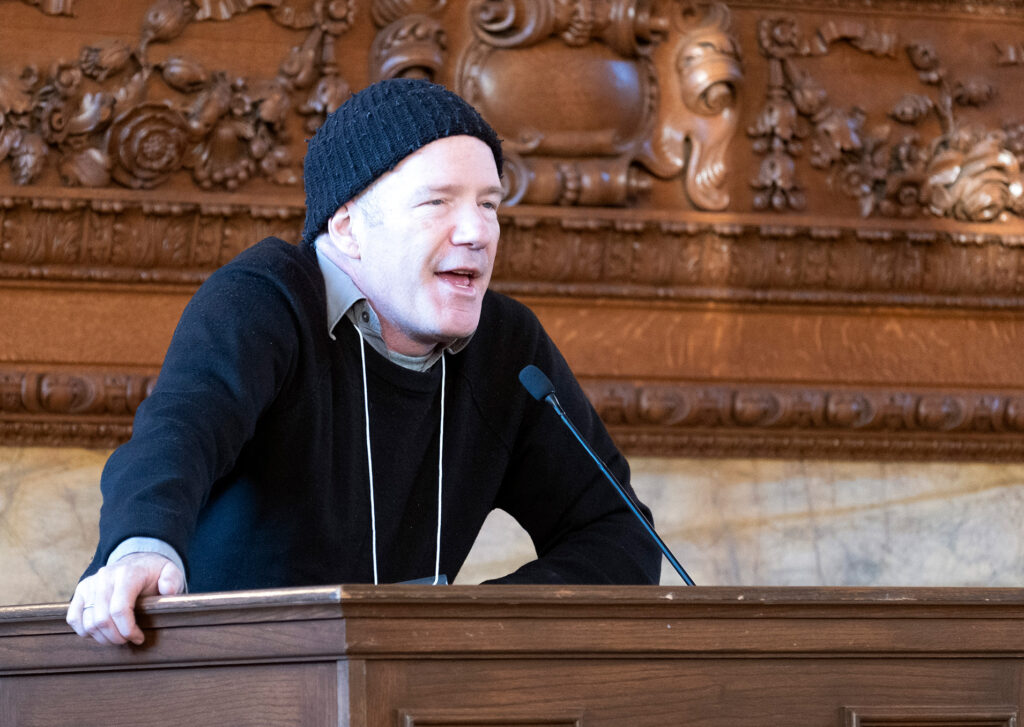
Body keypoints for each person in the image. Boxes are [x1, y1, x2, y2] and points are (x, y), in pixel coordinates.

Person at [66, 78, 661, 646]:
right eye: (438, 202)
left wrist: (466, 625)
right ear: (348, 228)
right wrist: (142, 547)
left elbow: (619, 534)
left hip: (404, 696)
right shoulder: (264, 299)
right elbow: (179, 433)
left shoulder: (509, 347)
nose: (478, 231)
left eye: (490, 204)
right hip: (218, 684)